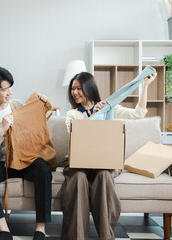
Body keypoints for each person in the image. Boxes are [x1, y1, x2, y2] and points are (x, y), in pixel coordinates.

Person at [61, 71, 157, 240]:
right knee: (78, 179)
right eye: (72, 89)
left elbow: (138, 114)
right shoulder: (73, 114)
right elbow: (76, 136)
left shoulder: (109, 107)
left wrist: (145, 86)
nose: (74, 92)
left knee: (105, 177)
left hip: (104, 163)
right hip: (79, 163)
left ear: (89, 88)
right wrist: (93, 115)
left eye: (78, 88)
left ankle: (106, 236)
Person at [0, 66, 52, 240]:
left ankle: (40, 229)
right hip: (2, 163)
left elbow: (34, 123)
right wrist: (1, 131)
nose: (10, 93)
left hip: (24, 159)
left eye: (10, 87)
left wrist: (43, 104)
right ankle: (4, 230)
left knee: (43, 169)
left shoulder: (16, 105)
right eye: (5, 89)